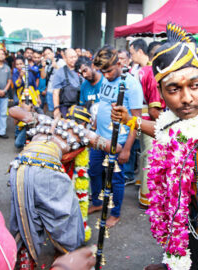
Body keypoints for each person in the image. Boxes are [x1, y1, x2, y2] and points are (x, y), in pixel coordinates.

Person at [112, 23, 198, 270]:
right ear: (160, 93)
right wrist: (131, 120)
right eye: (174, 89)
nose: (186, 98)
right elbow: (163, 131)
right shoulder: (175, 122)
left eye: (194, 85)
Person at [8, 104, 122, 268]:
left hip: (19, 165)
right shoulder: (82, 132)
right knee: (69, 213)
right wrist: (97, 135)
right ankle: (65, 255)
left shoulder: (44, 120)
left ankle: (26, 258)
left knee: (24, 214)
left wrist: (33, 114)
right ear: (85, 123)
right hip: (46, 167)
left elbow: (13, 110)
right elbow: (115, 147)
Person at [88, 45, 143, 228]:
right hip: (99, 138)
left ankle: (115, 213)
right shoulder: (105, 78)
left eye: (110, 71)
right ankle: (97, 202)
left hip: (118, 141)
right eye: (103, 72)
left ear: (119, 63)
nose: (107, 75)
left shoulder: (132, 84)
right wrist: (94, 125)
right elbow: (101, 104)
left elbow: (136, 120)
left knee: (115, 179)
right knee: (94, 170)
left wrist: (127, 148)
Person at [129, 39, 164, 207]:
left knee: (144, 156)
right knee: (150, 158)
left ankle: (141, 188)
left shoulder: (141, 70)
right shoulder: (151, 72)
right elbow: (153, 109)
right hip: (151, 119)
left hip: (141, 118)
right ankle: (146, 197)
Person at [52, 48, 80, 118]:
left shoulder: (82, 70)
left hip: (79, 107)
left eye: (75, 57)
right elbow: (56, 92)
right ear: (65, 58)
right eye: (71, 57)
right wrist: (56, 109)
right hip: (65, 108)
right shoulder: (60, 72)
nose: (74, 59)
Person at [42, 47, 65, 113]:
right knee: (52, 110)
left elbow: (64, 75)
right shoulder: (47, 65)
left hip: (59, 91)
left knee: (61, 110)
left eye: (49, 53)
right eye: (45, 55)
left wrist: (56, 67)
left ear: (53, 53)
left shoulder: (61, 62)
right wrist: (43, 66)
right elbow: (43, 76)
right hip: (50, 90)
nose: (47, 55)